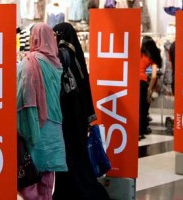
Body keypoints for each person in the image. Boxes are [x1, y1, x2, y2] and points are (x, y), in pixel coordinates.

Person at [52, 22, 110, 200]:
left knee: (70, 155)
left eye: (56, 33)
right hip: (76, 114)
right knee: (75, 154)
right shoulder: (74, 54)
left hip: (68, 115)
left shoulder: (63, 55)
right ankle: (75, 190)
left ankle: (78, 191)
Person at [17, 22, 68, 200]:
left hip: (35, 124)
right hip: (54, 127)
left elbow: (22, 96)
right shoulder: (56, 64)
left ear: (34, 38)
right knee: (47, 176)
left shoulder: (28, 63)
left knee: (31, 175)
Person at [139, 35, 162, 140]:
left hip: (132, 82)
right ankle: (141, 130)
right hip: (142, 82)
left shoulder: (138, 53)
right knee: (143, 108)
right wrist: (149, 89)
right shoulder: (152, 57)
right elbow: (153, 76)